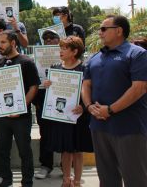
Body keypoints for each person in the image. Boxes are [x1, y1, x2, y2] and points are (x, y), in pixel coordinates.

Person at [82, 15, 147, 187]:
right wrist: (89, 106)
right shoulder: (94, 58)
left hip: (129, 128)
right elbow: (86, 85)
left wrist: (110, 110)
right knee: (107, 178)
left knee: (135, 179)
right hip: (99, 127)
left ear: (119, 31)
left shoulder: (137, 54)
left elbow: (139, 88)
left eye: (103, 29)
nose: (100, 33)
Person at [0, 30, 40, 187]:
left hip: (21, 117)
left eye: (3, 42)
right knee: (2, 150)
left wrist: (22, 106)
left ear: (13, 43)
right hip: (2, 116)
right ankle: (6, 180)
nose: (0, 46)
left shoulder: (26, 62)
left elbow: (34, 87)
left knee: (25, 151)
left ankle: (27, 182)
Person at [43, 36, 93, 187]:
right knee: (65, 150)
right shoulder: (55, 68)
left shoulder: (85, 69)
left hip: (79, 117)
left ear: (75, 51)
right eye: (61, 48)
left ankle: (77, 181)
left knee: (78, 150)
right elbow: (51, 96)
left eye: (64, 48)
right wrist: (48, 85)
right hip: (62, 117)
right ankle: (66, 179)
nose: (61, 51)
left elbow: (91, 91)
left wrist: (83, 107)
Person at [33, 29, 60, 180]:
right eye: (45, 39)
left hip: (63, 101)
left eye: (52, 38)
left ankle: (66, 165)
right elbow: (34, 82)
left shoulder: (67, 56)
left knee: (66, 134)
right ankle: (46, 165)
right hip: (43, 102)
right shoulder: (36, 59)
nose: (48, 41)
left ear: (58, 39)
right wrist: (37, 102)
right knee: (46, 135)